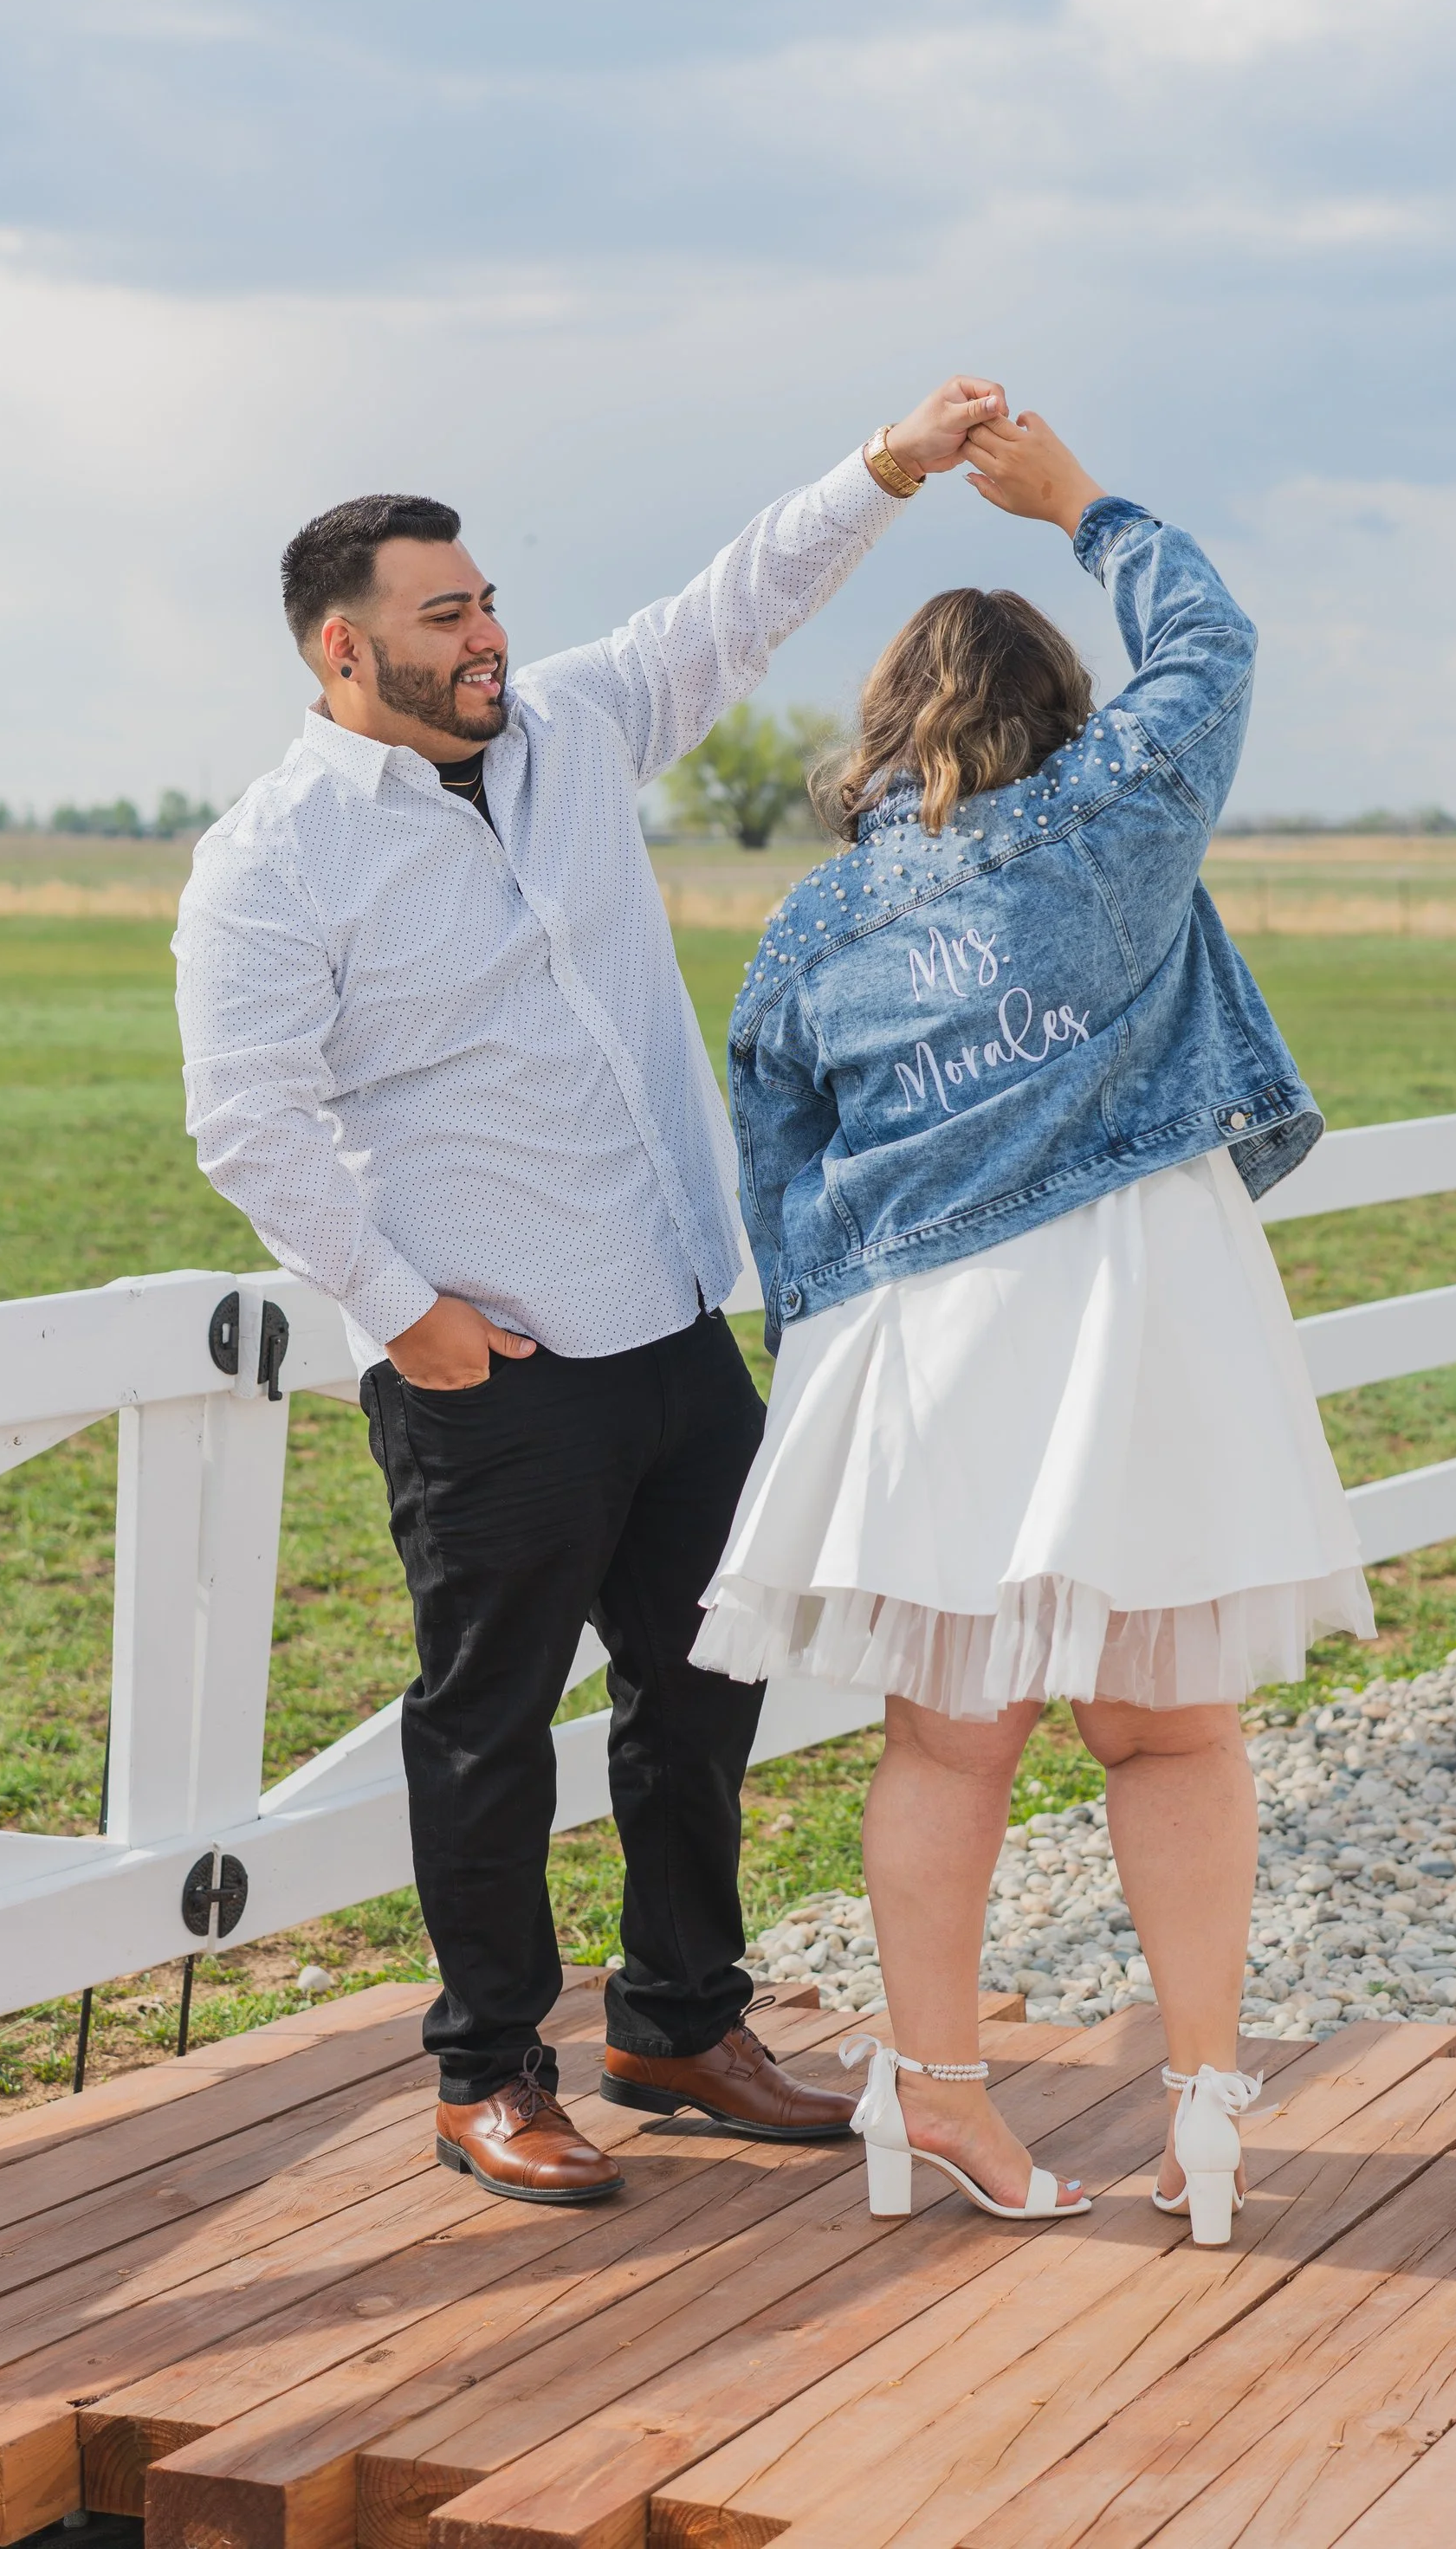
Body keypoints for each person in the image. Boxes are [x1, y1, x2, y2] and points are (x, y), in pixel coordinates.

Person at [173, 377, 1005, 2203]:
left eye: (486, 605)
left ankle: (676, 2023)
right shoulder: (274, 857)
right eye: (445, 616)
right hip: (495, 1367)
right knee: (484, 1727)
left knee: (702, 1693)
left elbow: (737, 597)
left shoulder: (569, 732)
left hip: (672, 1322)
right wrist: (405, 1313)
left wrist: (887, 467)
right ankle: (487, 2072)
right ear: (343, 646)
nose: (489, 638)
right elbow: (247, 1116)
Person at [695, 408, 1373, 2242]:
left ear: (886, 728)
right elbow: (1211, 646)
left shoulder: (814, 927)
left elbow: (778, 1167)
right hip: (1140, 1312)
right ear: (1057, 712)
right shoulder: (1119, 817)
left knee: (945, 1748)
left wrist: (820, 1365)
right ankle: (1210, 2112)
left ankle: (932, 2112)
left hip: (927, 1343)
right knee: (1166, 1737)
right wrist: (1076, 499)